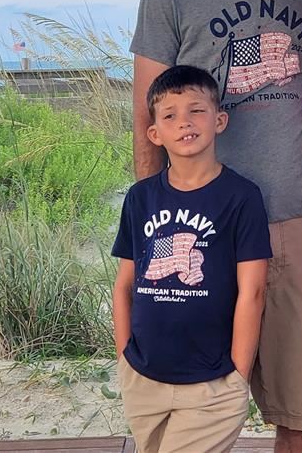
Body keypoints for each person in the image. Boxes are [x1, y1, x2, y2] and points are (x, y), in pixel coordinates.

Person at [130, 0, 302, 451]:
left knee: (298, 413)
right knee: (186, 399)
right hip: (197, 221)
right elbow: (147, 112)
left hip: (297, 219)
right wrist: (148, 222)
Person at [112, 65, 271, 453]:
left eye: (196, 110)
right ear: (155, 133)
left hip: (212, 381)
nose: (184, 122)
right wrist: (124, 357)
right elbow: (124, 284)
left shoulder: (241, 197)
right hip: (144, 377)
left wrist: (238, 373)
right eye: (170, 115)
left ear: (219, 120)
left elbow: (253, 290)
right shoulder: (140, 197)